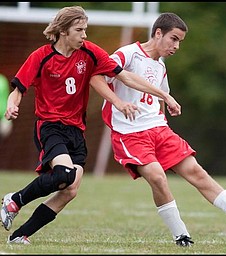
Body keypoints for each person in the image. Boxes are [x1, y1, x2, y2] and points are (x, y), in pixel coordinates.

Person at [0, 6, 181, 245]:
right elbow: (18, 90)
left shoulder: (90, 52)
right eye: (79, 30)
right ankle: (14, 200)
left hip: (76, 130)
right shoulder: (41, 56)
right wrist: (12, 105)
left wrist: (164, 95)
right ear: (63, 31)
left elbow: (124, 76)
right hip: (50, 127)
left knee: (70, 189)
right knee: (64, 174)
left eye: (85, 29)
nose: (85, 35)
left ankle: (19, 235)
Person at [91, 12, 226, 246]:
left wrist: (164, 112)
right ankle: (181, 235)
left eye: (179, 42)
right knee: (157, 176)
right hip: (129, 133)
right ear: (157, 33)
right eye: (173, 39)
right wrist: (119, 102)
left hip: (158, 130)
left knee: (197, 172)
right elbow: (96, 78)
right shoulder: (128, 54)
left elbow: (159, 99)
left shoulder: (160, 66)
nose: (176, 46)